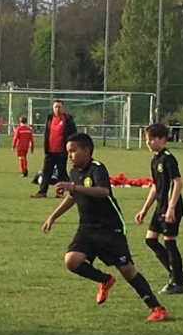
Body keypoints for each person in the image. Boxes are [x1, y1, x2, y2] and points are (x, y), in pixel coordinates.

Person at [42, 133, 169, 322]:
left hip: (110, 228)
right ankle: (105, 279)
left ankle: (157, 309)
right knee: (72, 261)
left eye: (73, 151)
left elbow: (103, 191)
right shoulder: (74, 172)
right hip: (87, 228)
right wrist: (53, 217)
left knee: (127, 270)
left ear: (86, 150)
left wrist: (74, 187)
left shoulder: (97, 168)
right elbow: (73, 197)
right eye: (68, 152)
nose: (69, 156)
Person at [134, 123, 183, 294]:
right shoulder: (155, 160)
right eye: (146, 139)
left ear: (163, 139)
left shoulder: (168, 158)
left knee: (169, 242)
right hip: (160, 207)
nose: (148, 142)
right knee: (150, 239)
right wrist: (144, 209)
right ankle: (177, 272)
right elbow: (156, 186)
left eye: (152, 139)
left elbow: (177, 182)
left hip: (170, 207)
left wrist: (171, 207)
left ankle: (178, 283)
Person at [32, 99, 77, 198]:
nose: (57, 109)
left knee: (61, 173)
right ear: (53, 108)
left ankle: (60, 192)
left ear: (63, 108)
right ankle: (42, 191)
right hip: (50, 151)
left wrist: (70, 148)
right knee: (46, 172)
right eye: (55, 107)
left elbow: (74, 134)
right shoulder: (49, 119)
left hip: (61, 151)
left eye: (59, 107)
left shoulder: (67, 120)